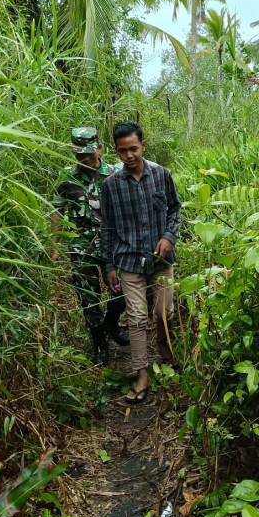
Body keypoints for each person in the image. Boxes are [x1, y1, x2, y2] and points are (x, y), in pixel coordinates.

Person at [100, 121, 181, 404]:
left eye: (133, 149)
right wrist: (109, 266)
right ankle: (142, 374)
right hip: (129, 260)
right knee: (135, 318)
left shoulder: (162, 175)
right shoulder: (111, 186)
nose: (129, 155)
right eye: (122, 151)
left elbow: (174, 209)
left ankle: (166, 353)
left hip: (160, 259)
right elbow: (107, 228)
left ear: (143, 146)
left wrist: (169, 237)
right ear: (116, 151)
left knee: (163, 313)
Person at [51, 127, 129, 366]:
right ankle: (100, 345)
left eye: (89, 153)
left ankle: (111, 324)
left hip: (112, 244)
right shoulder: (66, 178)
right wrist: (55, 246)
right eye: (79, 153)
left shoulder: (115, 174)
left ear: (100, 149)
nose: (84, 158)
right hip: (80, 245)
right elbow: (57, 211)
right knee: (88, 297)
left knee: (121, 290)